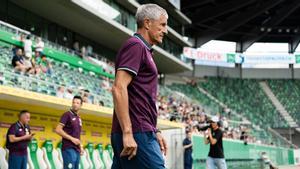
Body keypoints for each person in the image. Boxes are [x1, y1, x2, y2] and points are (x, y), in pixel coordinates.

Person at [111, 3, 168, 169]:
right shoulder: (136, 46)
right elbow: (118, 88)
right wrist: (128, 133)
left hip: (141, 130)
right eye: (163, 25)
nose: (165, 30)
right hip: (137, 132)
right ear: (148, 23)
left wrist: (154, 130)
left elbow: (140, 96)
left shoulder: (145, 49)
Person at [55, 96, 84, 169]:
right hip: (68, 147)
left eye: (77, 103)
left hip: (77, 149)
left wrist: (80, 146)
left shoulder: (79, 118)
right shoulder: (67, 115)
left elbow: (77, 134)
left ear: (81, 105)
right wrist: (72, 139)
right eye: (73, 102)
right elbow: (58, 130)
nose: (75, 104)